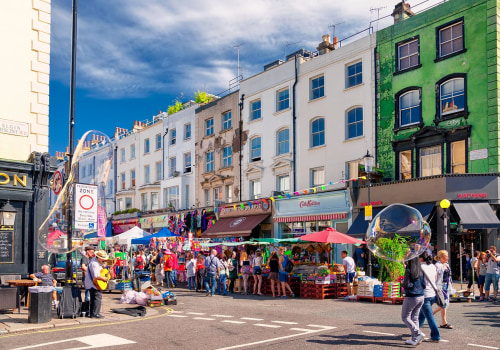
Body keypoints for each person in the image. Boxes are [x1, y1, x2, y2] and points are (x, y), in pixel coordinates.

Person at [400, 256, 425, 346]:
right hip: (421, 296)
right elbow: (424, 284)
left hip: (411, 296)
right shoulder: (421, 270)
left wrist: (405, 284)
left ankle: (418, 333)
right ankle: (415, 339)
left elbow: (406, 284)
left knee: (405, 317)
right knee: (415, 317)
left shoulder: (409, 270)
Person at [418, 251, 441, 343]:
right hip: (433, 293)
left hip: (425, 294)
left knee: (429, 316)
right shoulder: (432, 266)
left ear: (421, 258)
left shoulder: (420, 267)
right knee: (422, 314)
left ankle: (436, 336)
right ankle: (415, 330)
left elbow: (418, 281)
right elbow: (435, 278)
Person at [84, 250, 110, 318]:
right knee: (97, 297)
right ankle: (95, 313)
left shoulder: (95, 261)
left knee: (94, 298)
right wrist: (104, 279)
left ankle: (93, 313)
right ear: (99, 257)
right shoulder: (94, 264)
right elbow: (96, 276)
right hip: (93, 283)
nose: (104, 260)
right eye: (103, 258)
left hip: (92, 283)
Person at [433, 250, 454, 329]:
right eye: (446, 256)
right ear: (441, 257)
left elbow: (449, 277)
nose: (448, 257)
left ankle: (443, 322)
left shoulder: (446, 265)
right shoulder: (437, 265)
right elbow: (435, 277)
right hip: (440, 286)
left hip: (446, 285)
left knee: (444, 304)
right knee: (443, 304)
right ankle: (430, 315)